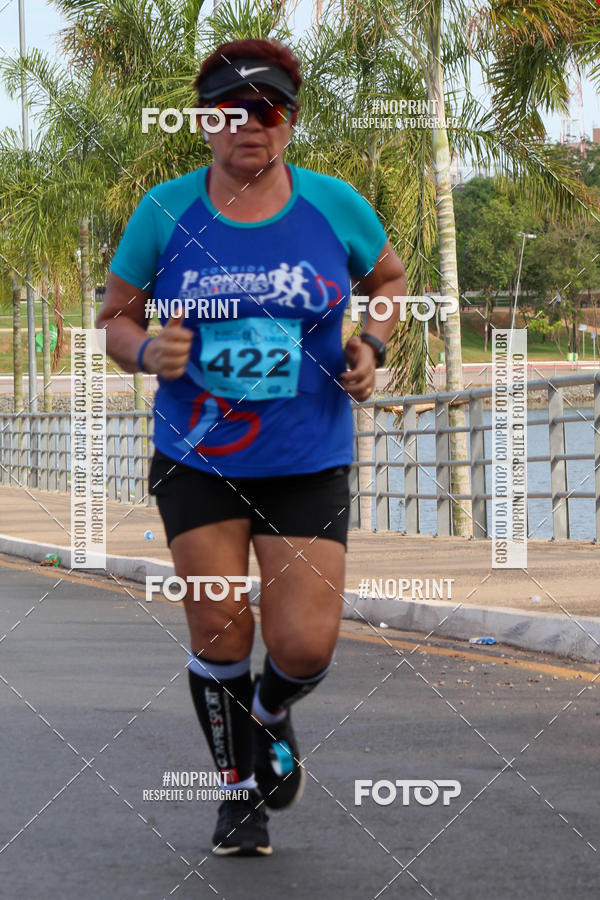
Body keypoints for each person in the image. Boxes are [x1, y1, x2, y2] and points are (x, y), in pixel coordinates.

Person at [96, 37, 406, 857]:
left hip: (307, 452)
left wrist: (372, 346)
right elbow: (116, 318)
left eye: (265, 111)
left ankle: (269, 714)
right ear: (204, 123)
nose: (248, 128)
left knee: (304, 646)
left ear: (290, 124)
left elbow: (390, 282)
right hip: (197, 455)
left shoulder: (335, 205)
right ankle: (240, 796)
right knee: (221, 628)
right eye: (228, 112)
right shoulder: (165, 211)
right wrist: (142, 351)